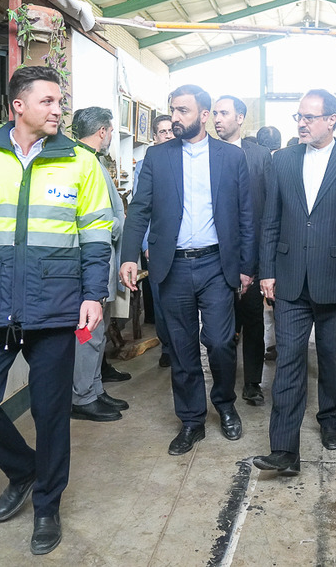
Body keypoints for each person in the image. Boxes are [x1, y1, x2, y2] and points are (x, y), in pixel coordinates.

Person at [0, 66, 112, 555]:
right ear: (18, 106)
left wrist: (93, 294)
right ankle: (24, 470)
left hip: (55, 308)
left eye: (60, 101)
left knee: (51, 415)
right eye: (48, 101)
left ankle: (48, 505)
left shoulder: (79, 161)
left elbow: (96, 238)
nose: (58, 110)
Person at [119, 84, 255, 456]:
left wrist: (247, 266)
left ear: (204, 115)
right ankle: (192, 420)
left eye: (183, 111)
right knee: (181, 347)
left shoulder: (231, 157)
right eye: (173, 110)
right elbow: (140, 209)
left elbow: (246, 215)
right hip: (173, 266)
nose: (175, 118)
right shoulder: (157, 156)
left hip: (216, 264)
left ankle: (224, 404)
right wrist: (129, 256)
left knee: (221, 342)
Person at [254, 89, 336, 476]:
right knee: (288, 362)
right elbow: (270, 221)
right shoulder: (283, 160)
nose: (302, 123)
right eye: (299, 117)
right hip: (290, 280)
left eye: (309, 117)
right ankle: (284, 449)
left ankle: (329, 417)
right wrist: (267, 270)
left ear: (331, 120)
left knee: (333, 358)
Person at [70, 107, 129, 422]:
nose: (110, 138)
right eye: (110, 132)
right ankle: (81, 396)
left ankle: (93, 389)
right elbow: (98, 220)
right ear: (102, 131)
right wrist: (119, 225)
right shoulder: (84, 162)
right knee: (87, 333)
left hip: (101, 259)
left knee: (98, 331)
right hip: (93, 259)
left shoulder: (92, 161)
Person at [212, 95, 271, 406]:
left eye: (224, 113)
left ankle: (252, 382)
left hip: (252, 254)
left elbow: (269, 207)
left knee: (253, 319)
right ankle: (223, 383)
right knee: (221, 324)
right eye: (215, 113)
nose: (217, 119)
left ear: (240, 118)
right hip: (215, 255)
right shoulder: (206, 152)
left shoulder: (259, 156)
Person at [133, 114, 176, 368]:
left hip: (184, 244)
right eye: (163, 132)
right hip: (158, 244)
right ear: (154, 137)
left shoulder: (186, 158)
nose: (168, 135)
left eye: (171, 130)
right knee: (160, 299)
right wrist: (146, 244)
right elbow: (142, 208)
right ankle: (167, 346)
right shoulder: (144, 165)